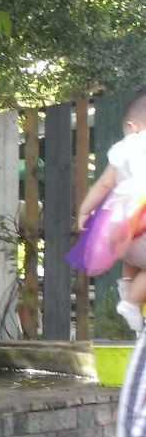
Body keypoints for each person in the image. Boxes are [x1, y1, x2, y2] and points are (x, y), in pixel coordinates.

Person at [71, 88, 146, 332]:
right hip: (142, 217)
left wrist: (84, 211)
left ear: (131, 125)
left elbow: (103, 184)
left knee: (131, 258)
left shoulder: (123, 149)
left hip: (118, 222)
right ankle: (131, 302)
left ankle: (127, 286)